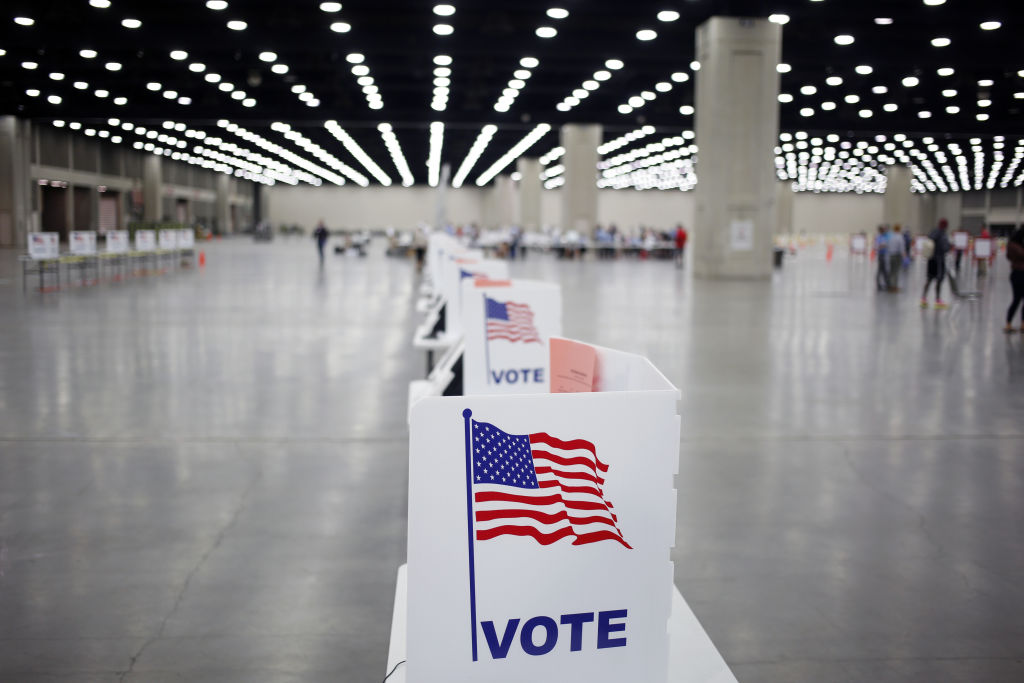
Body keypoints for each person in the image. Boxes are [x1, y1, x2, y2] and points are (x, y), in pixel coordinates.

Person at [921, 218, 951, 309]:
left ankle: (923, 299)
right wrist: (950, 246)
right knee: (939, 279)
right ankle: (937, 300)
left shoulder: (932, 232)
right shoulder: (942, 234)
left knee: (929, 279)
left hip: (931, 260)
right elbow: (944, 247)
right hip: (939, 260)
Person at [1005, 227, 1024, 333]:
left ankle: (1012, 323)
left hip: (1015, 273)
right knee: (1017, 300)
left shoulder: (1010, 245)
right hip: (1020, 273)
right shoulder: (1017, 246)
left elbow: (1008, 257)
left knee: (1017, 299)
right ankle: (1010, 323)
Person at [887, 225, 906, 291]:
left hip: (891, 255)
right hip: (897, 256)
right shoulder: (900, 237)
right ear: (899, 229)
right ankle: (894, 287)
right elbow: (901, 247)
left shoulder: (891, 237)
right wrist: (904, 256)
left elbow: (888, 245)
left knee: (891, 271)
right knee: (896, 272)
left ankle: (889, 286)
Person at [875, 225, 890, 291]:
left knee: (884, 271)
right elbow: (878, 246)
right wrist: (883, 245)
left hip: (885, 255)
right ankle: (878, 284)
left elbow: (887, 244)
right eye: (883, 230)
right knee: (880, 270)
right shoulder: (879, 237)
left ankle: (886, 284)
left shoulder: (885, 236)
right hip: (881, 255)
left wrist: (884, 245)